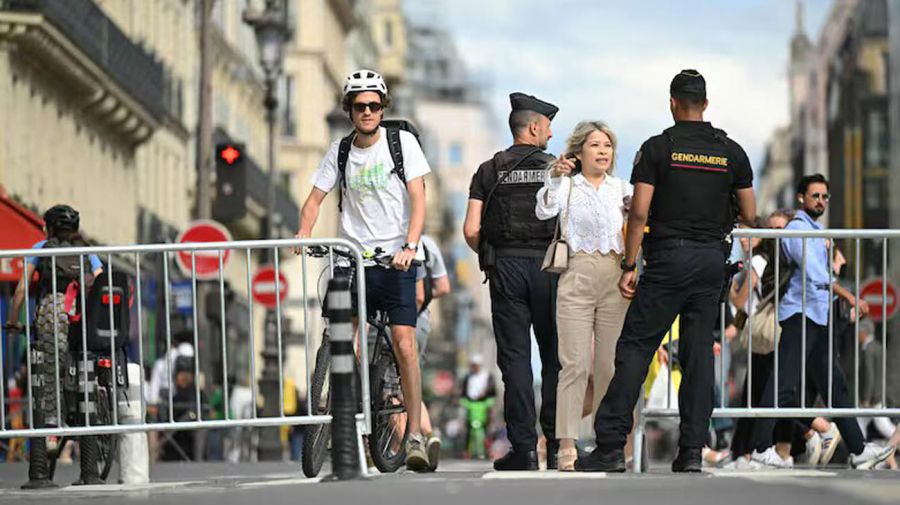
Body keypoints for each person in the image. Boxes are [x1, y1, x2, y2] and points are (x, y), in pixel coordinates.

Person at [576, 70, 757, 473]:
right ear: (705, 104)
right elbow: (749, 212)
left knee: (635, 349)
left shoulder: (658, 148)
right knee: (697, 358)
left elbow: (639, 211)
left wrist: (629, 264)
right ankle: (692, 451)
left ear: (672, 103)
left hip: (667, 261)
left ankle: (609, 447)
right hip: (711, 262)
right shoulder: (732, 152)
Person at [296, 69, 432, 472]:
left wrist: (410, 245)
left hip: (395, 258)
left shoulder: (401, 143)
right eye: (360, 106)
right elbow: (314, 199)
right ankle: (340, 405)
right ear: (349, 111)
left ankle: (415, 436)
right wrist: (304, 231)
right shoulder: (339, 151)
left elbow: (419, 198)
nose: (368, 112)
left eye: (374, 105)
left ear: (383, 108)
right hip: (349, 257)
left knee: (405, 343)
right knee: (340, 337)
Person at [748, 174, 895, 470]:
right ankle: (761, 448)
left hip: (816, 316)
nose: (821, 201)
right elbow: (815, 274)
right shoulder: (798, 230)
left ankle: (858, 449)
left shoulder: (815, 230)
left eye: (825, 196)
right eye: (816, 196)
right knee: (782, 384)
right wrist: (851, 297)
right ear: (801, 198)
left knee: (834, 386)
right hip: (800, 315)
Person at [463, 92, 561, 471]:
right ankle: (556, 446)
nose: (551, 135)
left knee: (516, 360)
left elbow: (471, 229)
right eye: (548, 127)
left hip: (505, 267)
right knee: (555, 359)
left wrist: (489, 254)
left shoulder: (488, 171)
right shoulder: (556, 168)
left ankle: (523, 449)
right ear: (534, 127)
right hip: (550, 269)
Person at [535, 121, 632, 471]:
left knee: (608, 365)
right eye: (595, 145)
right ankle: (565, 445)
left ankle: (608, 444)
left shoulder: (622, 188)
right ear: (579, 152)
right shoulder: (569, 187)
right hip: (575, 273)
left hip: (615, 277)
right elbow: (544, 209)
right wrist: (556, 176)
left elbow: (637, 225)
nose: (603, 151)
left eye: (607, 145)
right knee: (574, 365)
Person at [4, 204, 104, 488]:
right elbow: (100, 283)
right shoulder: (86, 250)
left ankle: (47, 442)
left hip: (49, 323)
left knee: (47, 381)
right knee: (83, 379)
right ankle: (89, 470)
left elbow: (22, 289)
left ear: (48, 227)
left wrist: (13, 320)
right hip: (81, 320)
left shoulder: (41, 246)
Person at [415, 234, 451, 471]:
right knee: (410, 383)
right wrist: (426, 294)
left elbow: (417, 295)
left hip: (391, 319)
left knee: (391, 391)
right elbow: (444, 287)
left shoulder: (383, 239)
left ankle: (413, 445)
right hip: (422, 320)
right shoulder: (428, 244)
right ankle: (429, 435)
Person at [460, 355, 497, 459]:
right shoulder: (468, 377)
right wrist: (463, 401)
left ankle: (488, 449)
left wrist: (489, 402)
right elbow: (463, 392)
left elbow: (492, 391)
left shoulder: (487, 376)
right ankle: (467, 450)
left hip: (484, 404)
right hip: (471, 404)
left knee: (487, 428)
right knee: (468, 427)